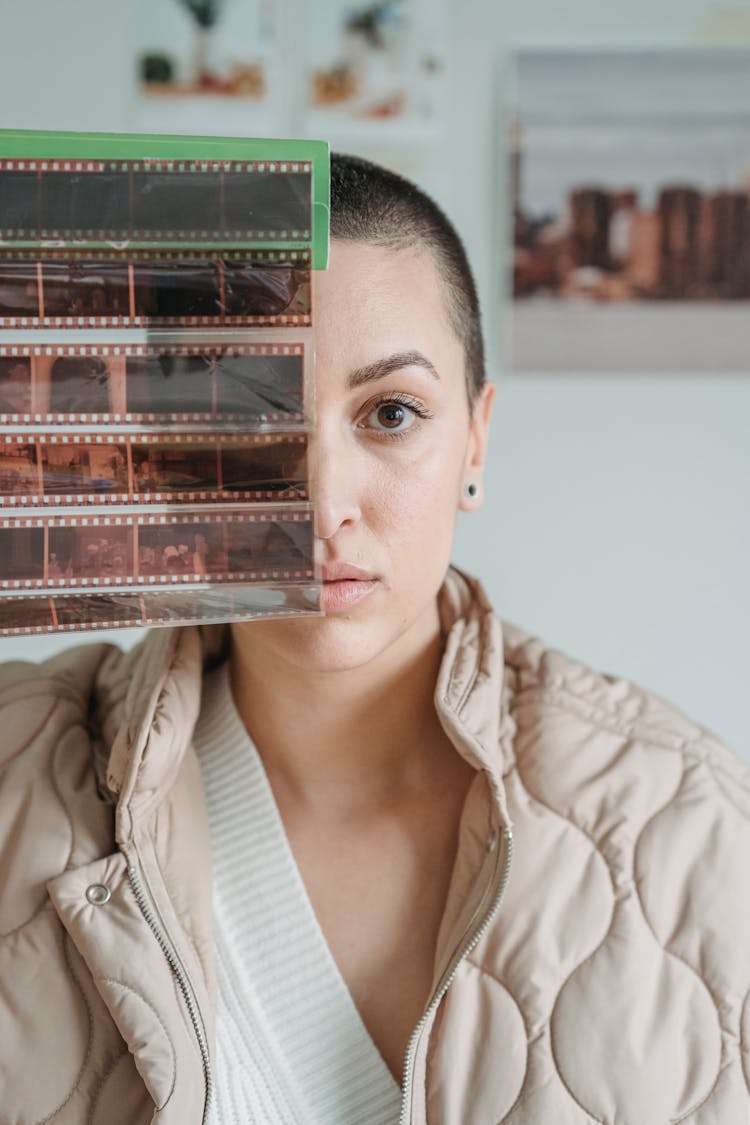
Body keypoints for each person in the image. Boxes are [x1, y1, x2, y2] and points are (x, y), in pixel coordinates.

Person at [0, 154, 748, 1125]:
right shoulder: (16, 772)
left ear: (474, 442)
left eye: (390, 414)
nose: (321, 503)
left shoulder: (695, 828)